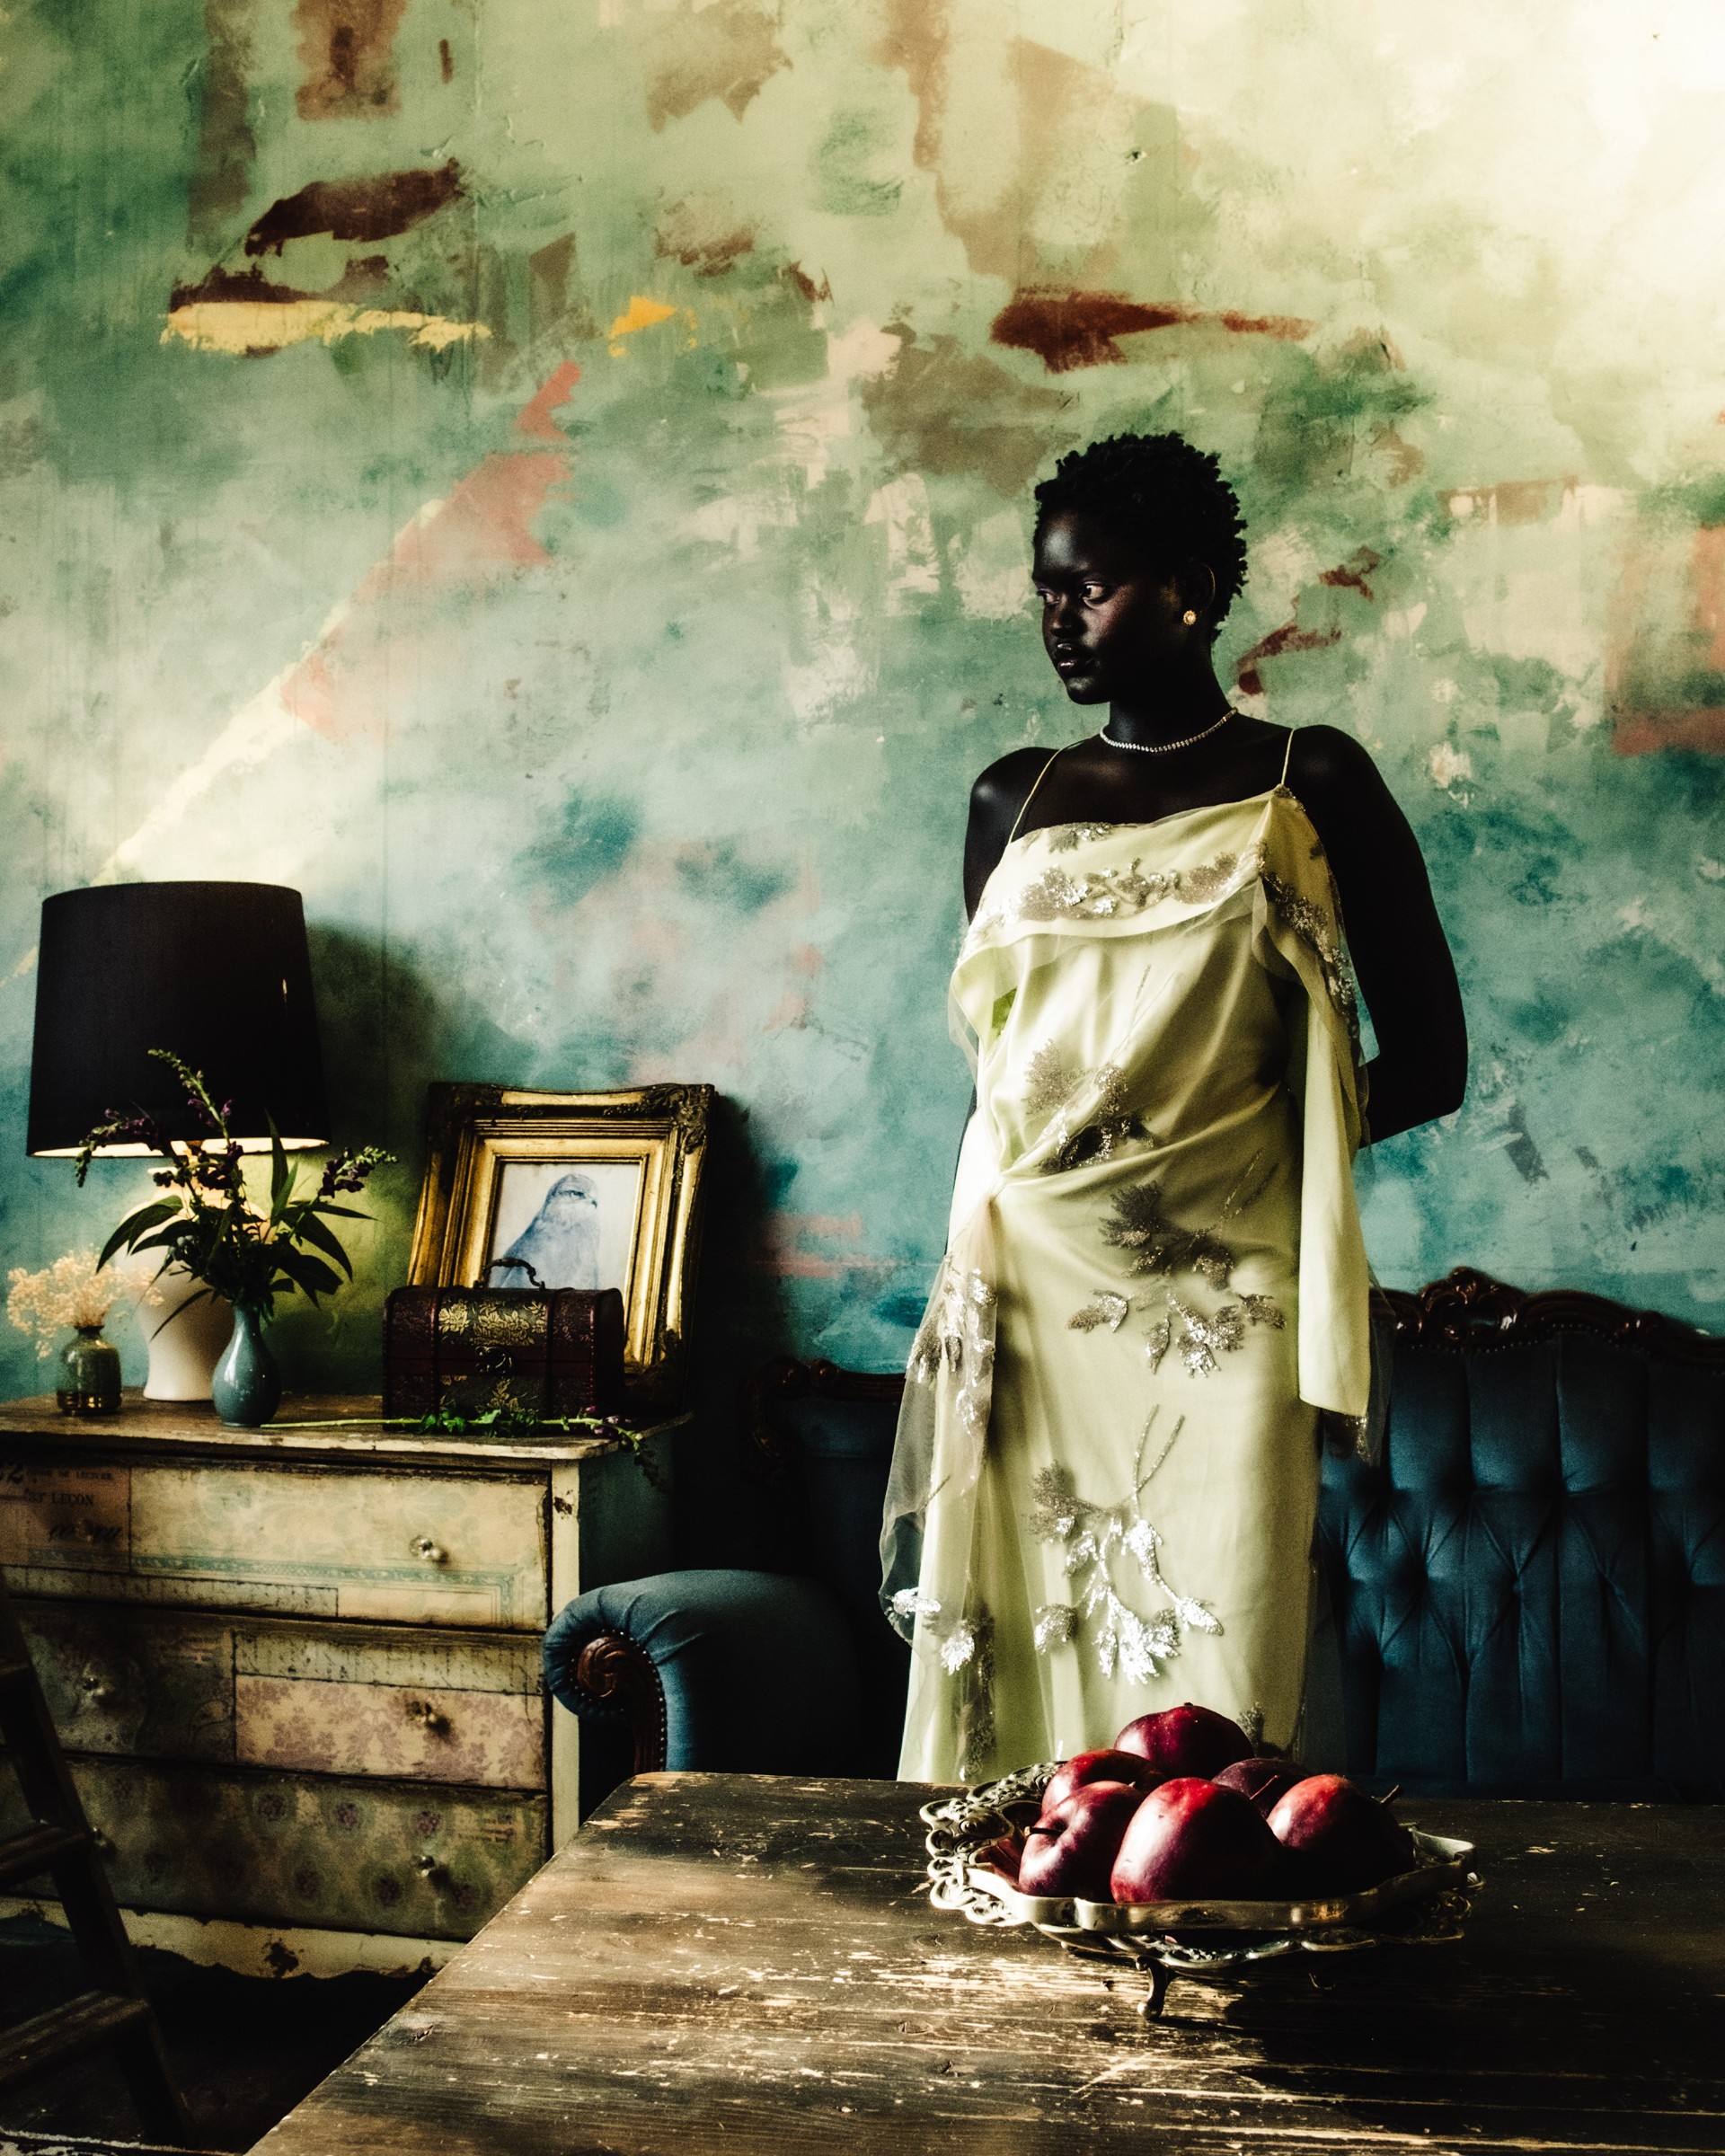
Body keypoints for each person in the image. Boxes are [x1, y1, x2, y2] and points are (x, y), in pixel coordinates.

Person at [880, 432, 1465, 1783]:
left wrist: (1239, 1165)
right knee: (1018, 1700)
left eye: (1089, 587)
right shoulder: (1011, 795)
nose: (1057, 618)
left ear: (1193, 589)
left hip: (1224, 1301)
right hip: (1025, 1292)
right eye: (1044, 589)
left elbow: (1431, 1061)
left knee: (1218, 1685)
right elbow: (1014, 1064)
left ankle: (1204, 1963)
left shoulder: (1309, 783)